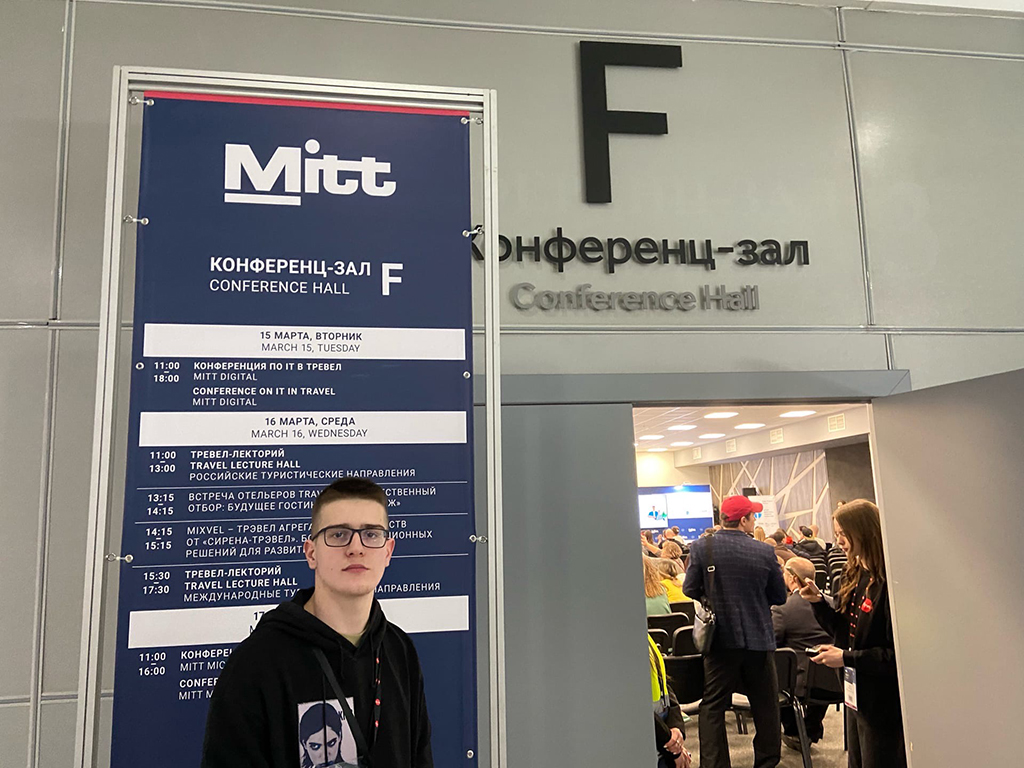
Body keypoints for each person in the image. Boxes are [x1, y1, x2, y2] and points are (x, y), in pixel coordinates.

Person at [202, 478, 433, 768]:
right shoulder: (256, 663)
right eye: (338, 534)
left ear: (388, 551)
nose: (356, 548)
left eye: (371, 534)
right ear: (311, 553)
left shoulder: (400, 651)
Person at [683, 496, 788, 768]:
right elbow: (780, 596)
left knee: (713, 705)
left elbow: (689, 588)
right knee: (766, 706)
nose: (754, 520)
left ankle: (714, 764)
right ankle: (766, 762)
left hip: (719, 640)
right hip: (759, 639)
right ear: (743, 520)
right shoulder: (764, 551)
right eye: (753, 516)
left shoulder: (701, 548)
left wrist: (712, 595)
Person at [799, 500, 906, 768]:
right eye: (837, 534)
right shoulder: (854, 573)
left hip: (884, 703)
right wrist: (817, 603)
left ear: (864, 532)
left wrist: (846, 658)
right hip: (857, 694)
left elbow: (895, 657)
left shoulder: (890, 583)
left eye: (844, 534)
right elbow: (843, 630)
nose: (839, 541)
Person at [771, 557, 833, 751]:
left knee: (777, 669)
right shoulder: (831, 604)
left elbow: (772, 643)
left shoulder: (783, 609)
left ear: (792, 578)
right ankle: (811, 728)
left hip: (799, 685)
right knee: (818, 670)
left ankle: (795, 731)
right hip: (835, 680)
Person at [649, 633, 692, 768]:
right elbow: (634, 706)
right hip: (653, 738)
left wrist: (676, 727)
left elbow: (664, 685)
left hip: (663, 733)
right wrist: (671, 746)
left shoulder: (645, 637)